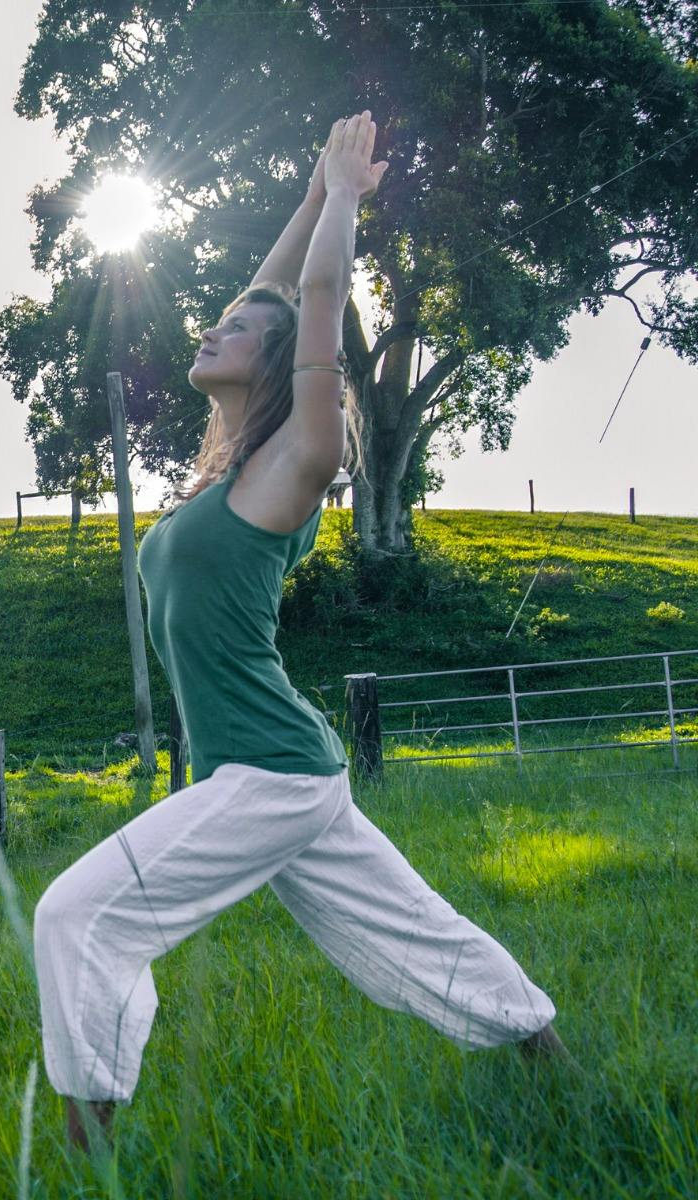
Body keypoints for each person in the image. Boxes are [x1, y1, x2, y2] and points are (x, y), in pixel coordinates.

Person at [32, 112, 565, 1155]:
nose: (211, 330)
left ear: (275, 372)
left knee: (75, 917)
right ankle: (548, 1058)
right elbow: (274, 295)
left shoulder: (294, 463)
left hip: (266, 775)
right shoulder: (224, 462)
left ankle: (84, 1155)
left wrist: (349, 206)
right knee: (419, 936)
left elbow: (312, 304)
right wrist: (316, 191)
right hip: (279, 773)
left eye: (231, 335)